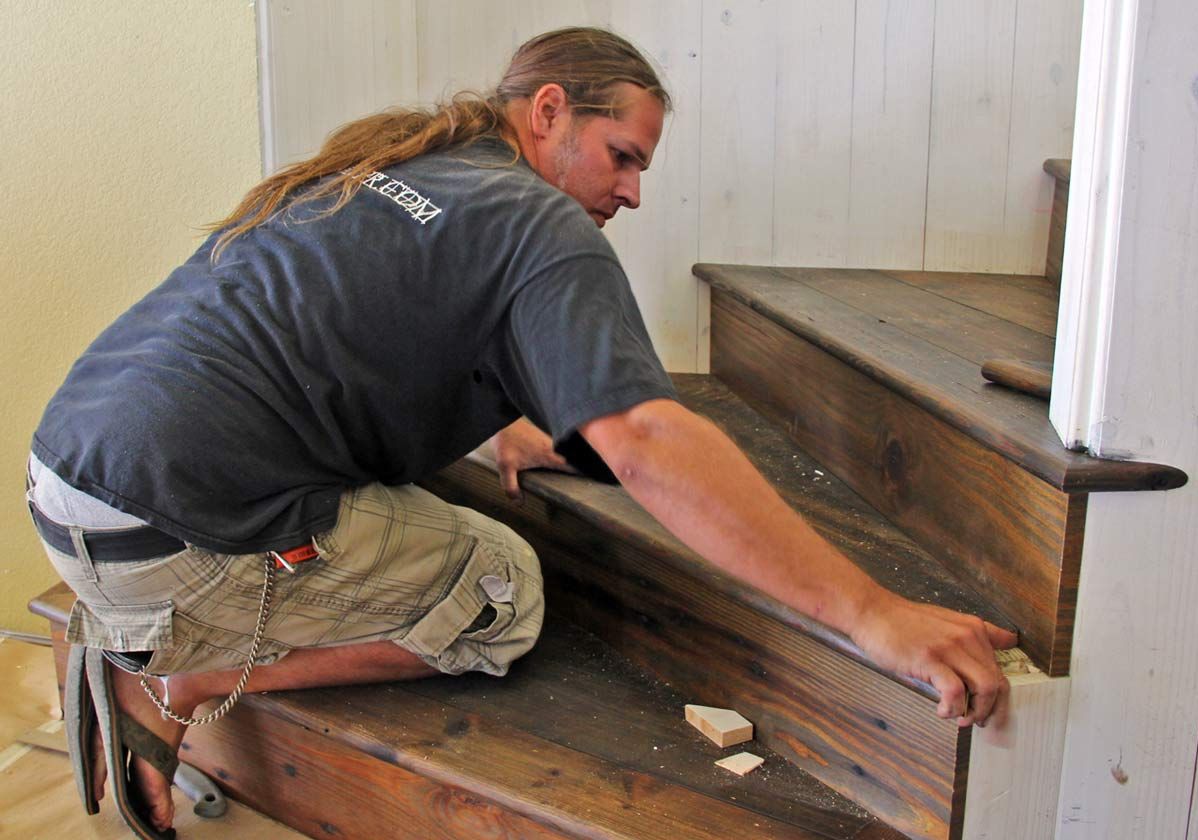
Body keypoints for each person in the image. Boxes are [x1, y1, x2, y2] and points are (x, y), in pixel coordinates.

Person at [27, 27, 1016, 839]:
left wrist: (509, 427)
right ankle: (175, 674)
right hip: (169, 541)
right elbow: (646, 440)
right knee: (502, 588)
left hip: (66, 480)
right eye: (623, 155)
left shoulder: (383, 168)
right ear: (548, 113)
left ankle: (147, 622)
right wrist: (870, 612)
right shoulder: (542, 226)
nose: (632, 191)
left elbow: (362, 336)